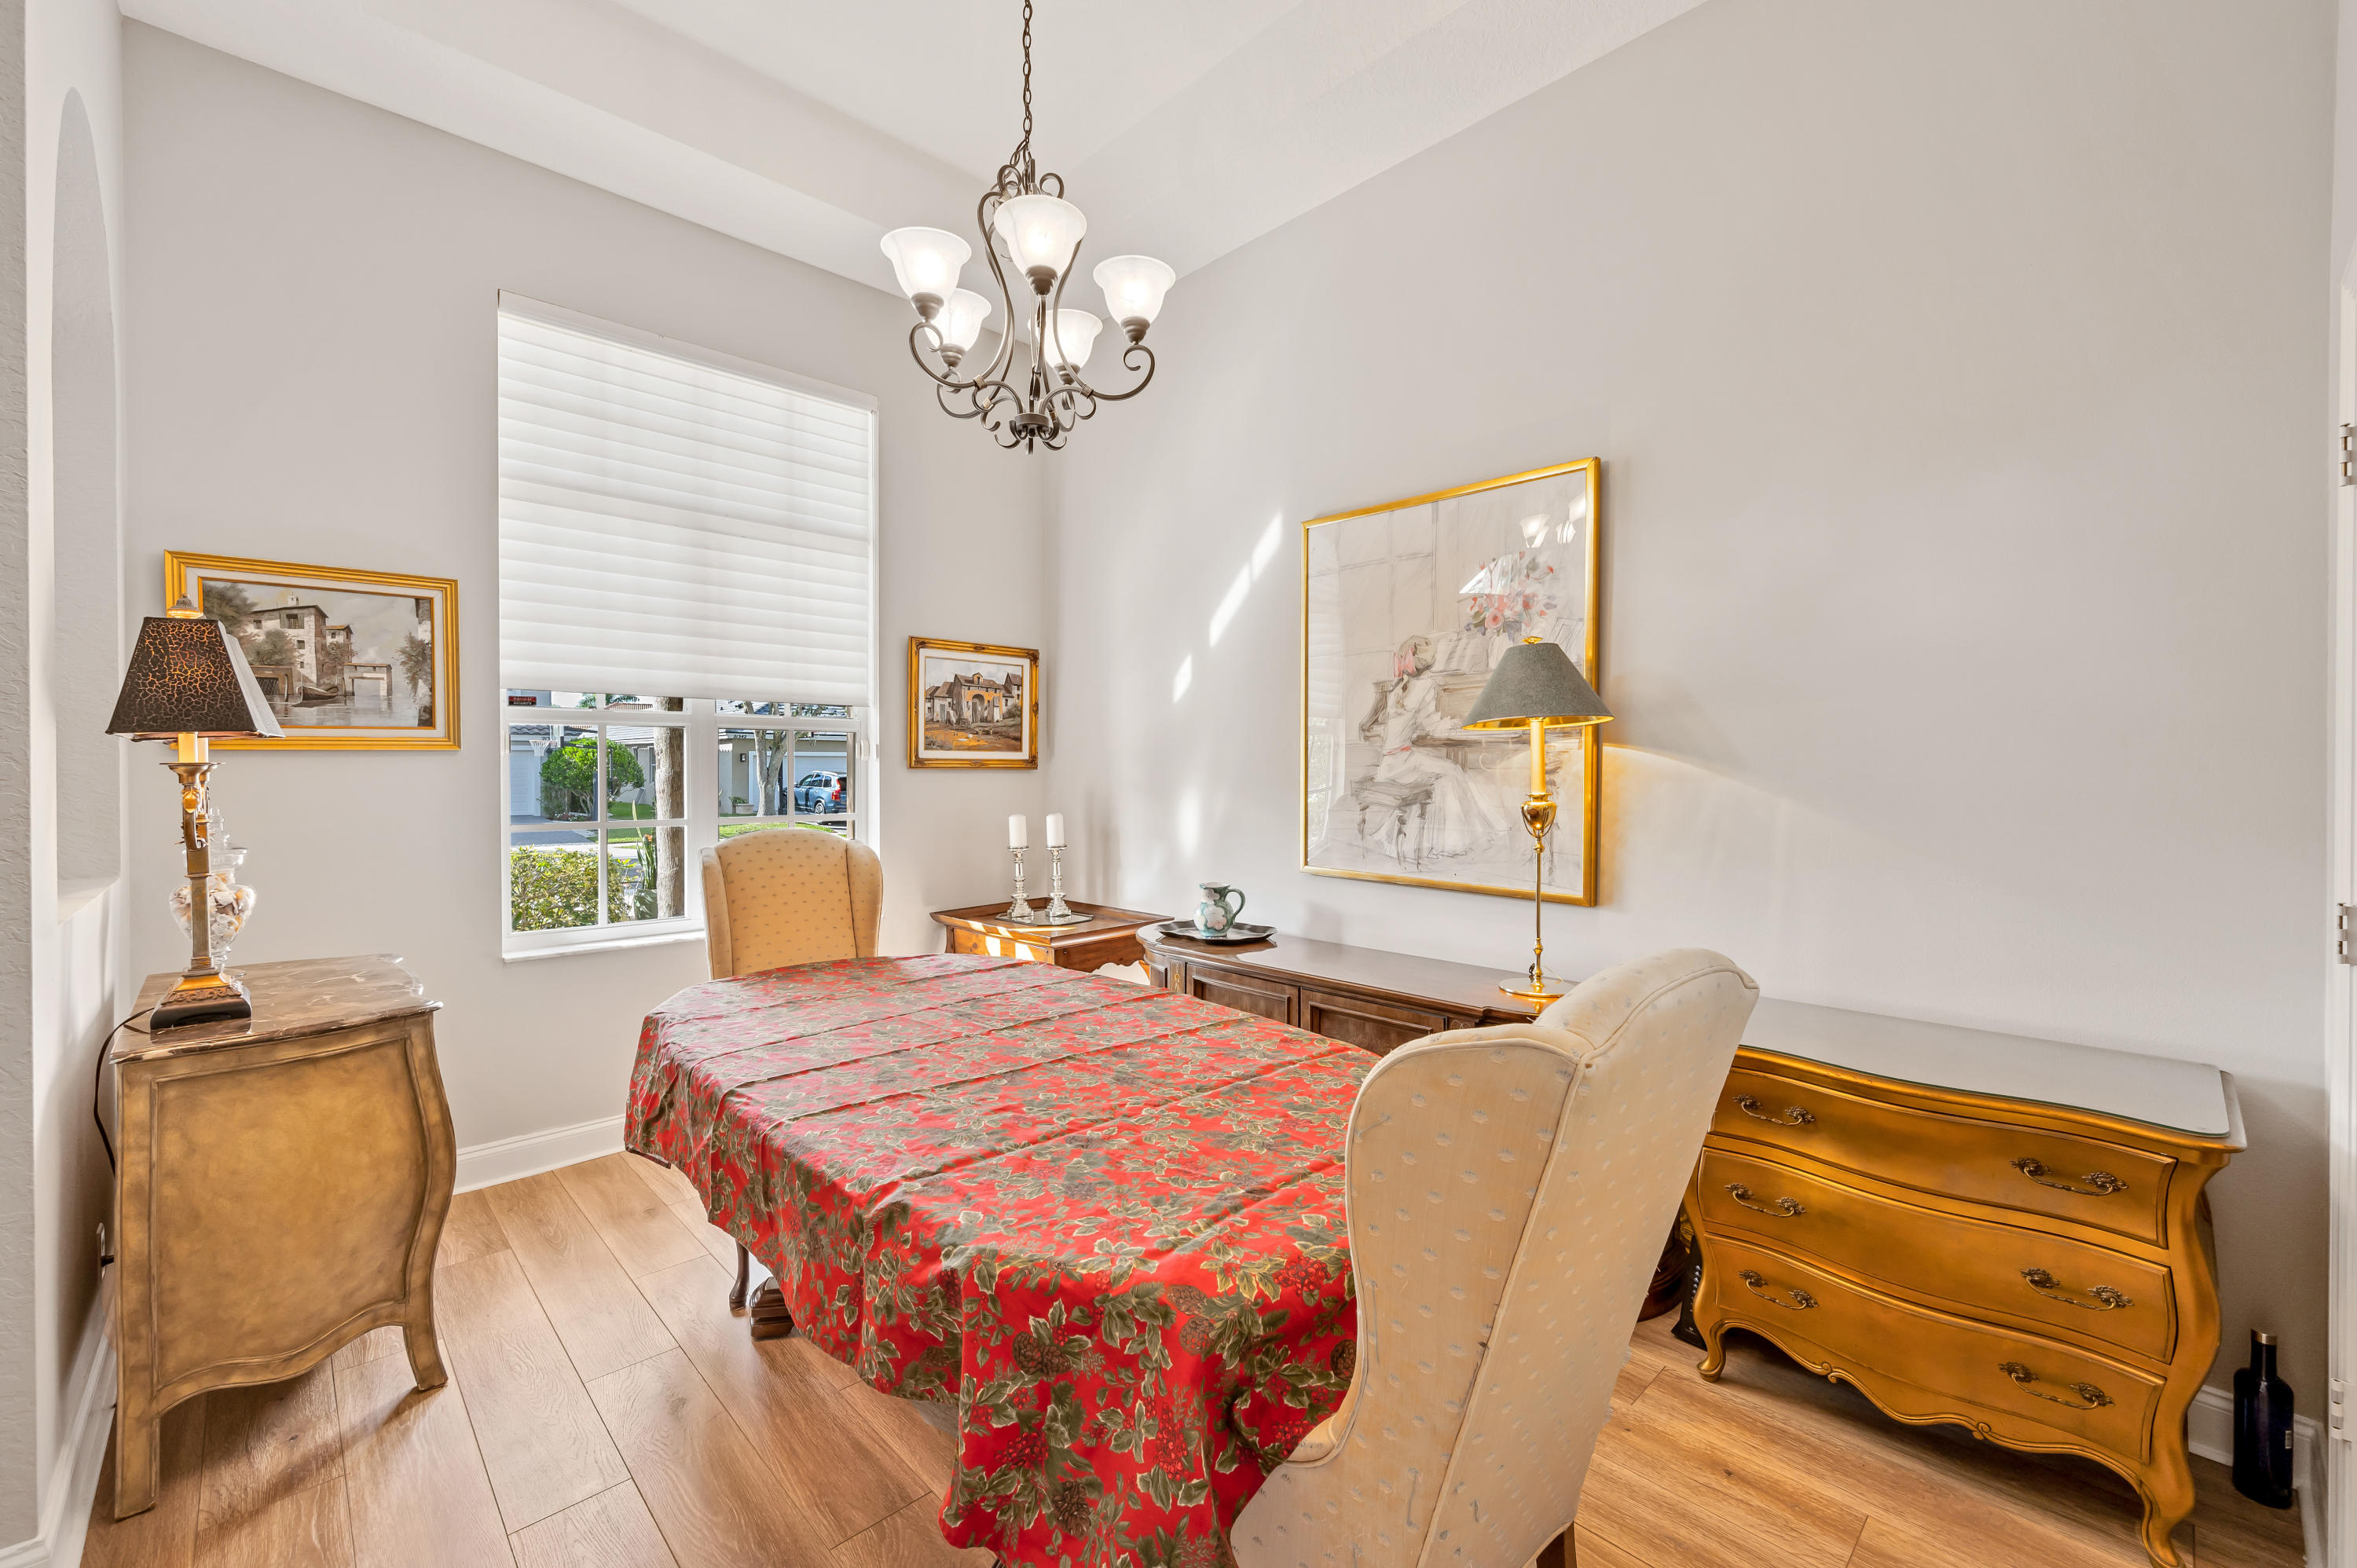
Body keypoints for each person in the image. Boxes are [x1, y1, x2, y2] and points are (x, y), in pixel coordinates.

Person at [1356, 634, 1510, 859]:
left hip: (1390, 763)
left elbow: (1400, 726)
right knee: (1453, 772)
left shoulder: (1398, 687)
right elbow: (1433, 727)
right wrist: (1457, 724)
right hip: (1404, 764)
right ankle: (1456, 840)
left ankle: (1429, 840)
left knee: (1445, 775)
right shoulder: (1426, 685)